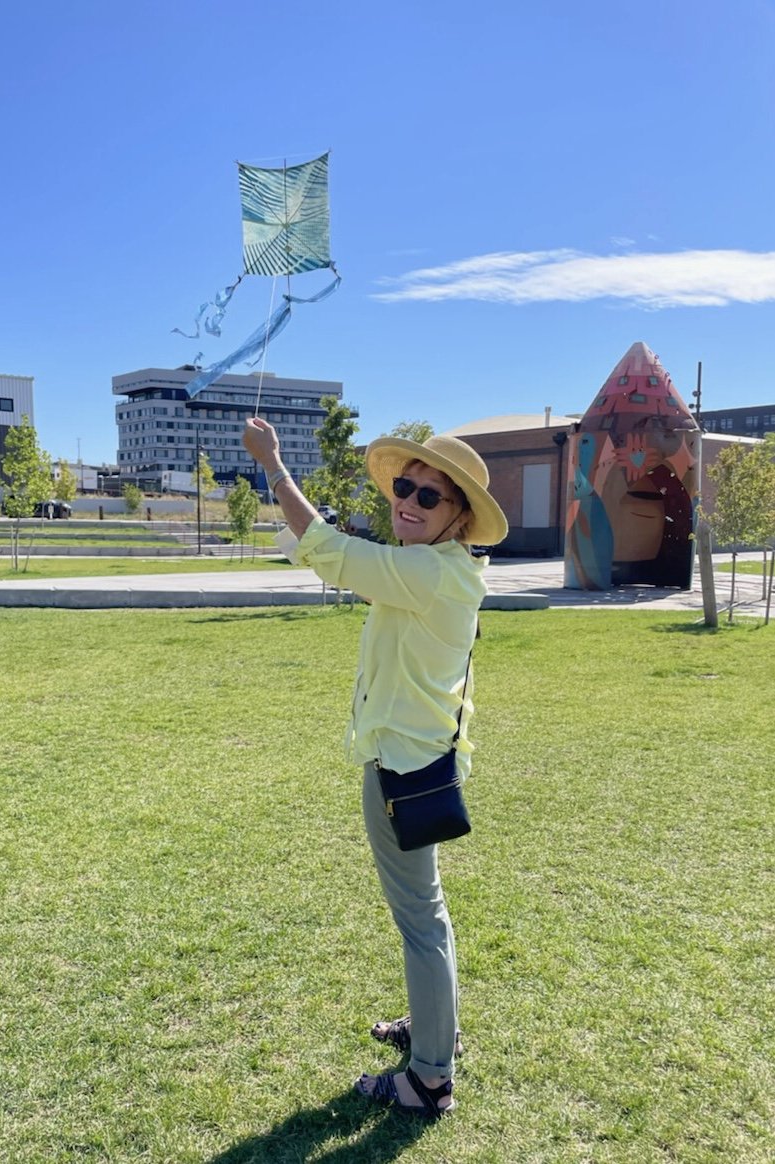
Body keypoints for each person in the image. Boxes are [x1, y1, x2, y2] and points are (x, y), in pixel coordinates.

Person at [242, 417, 509, 1119]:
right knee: (428, 916)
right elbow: (345, 562)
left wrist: (271, 464)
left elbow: (327, 551)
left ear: (458, 519)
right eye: (404, 486)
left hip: (402, 771)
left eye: (429, 497)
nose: (408, 502)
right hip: (419, 762)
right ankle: (432, 1033)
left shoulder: (428, 573)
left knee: (421, 921)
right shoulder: (442, 571)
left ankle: (427, 1077)